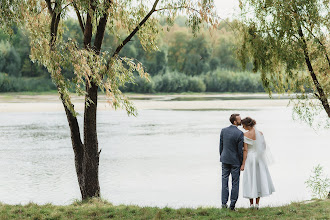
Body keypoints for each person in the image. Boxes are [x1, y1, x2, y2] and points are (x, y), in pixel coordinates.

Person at [240, 117, 275, 210]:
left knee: (250, 179)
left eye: (243, 126)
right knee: (258, 180)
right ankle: (257, 204)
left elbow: (246, 150)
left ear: (247, 125)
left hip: (250, 159)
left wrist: (243, 164)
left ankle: (251, 204)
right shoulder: (260, 134)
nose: (243, 127)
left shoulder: (245, 135)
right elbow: (263, 147)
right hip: (259, 159)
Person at [219, 113, 244, 211]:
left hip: (225, 159)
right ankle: (232, 206)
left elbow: (221, 146)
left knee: (224, 182)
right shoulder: (239, 133)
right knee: (235, 183)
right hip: (235, 161)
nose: (241, 121)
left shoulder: (223, 131)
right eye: (239, 119)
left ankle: (223, 204)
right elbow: (240, 151)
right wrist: (242, 163)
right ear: (235, 121)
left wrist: (222, 156)